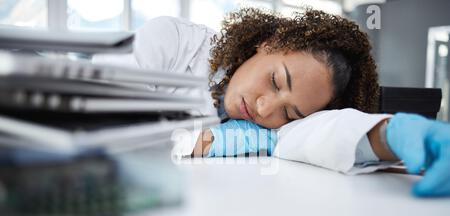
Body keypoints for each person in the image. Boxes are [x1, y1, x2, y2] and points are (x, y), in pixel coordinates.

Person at [107, 7, 450, 197]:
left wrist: (392, 134)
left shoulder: (282, 127)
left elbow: (325, 133)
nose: (264, 108)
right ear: (267, 43)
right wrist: (197, 140)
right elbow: (100, 126)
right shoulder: (171, 40)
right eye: (275, 81)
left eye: (289, 112)